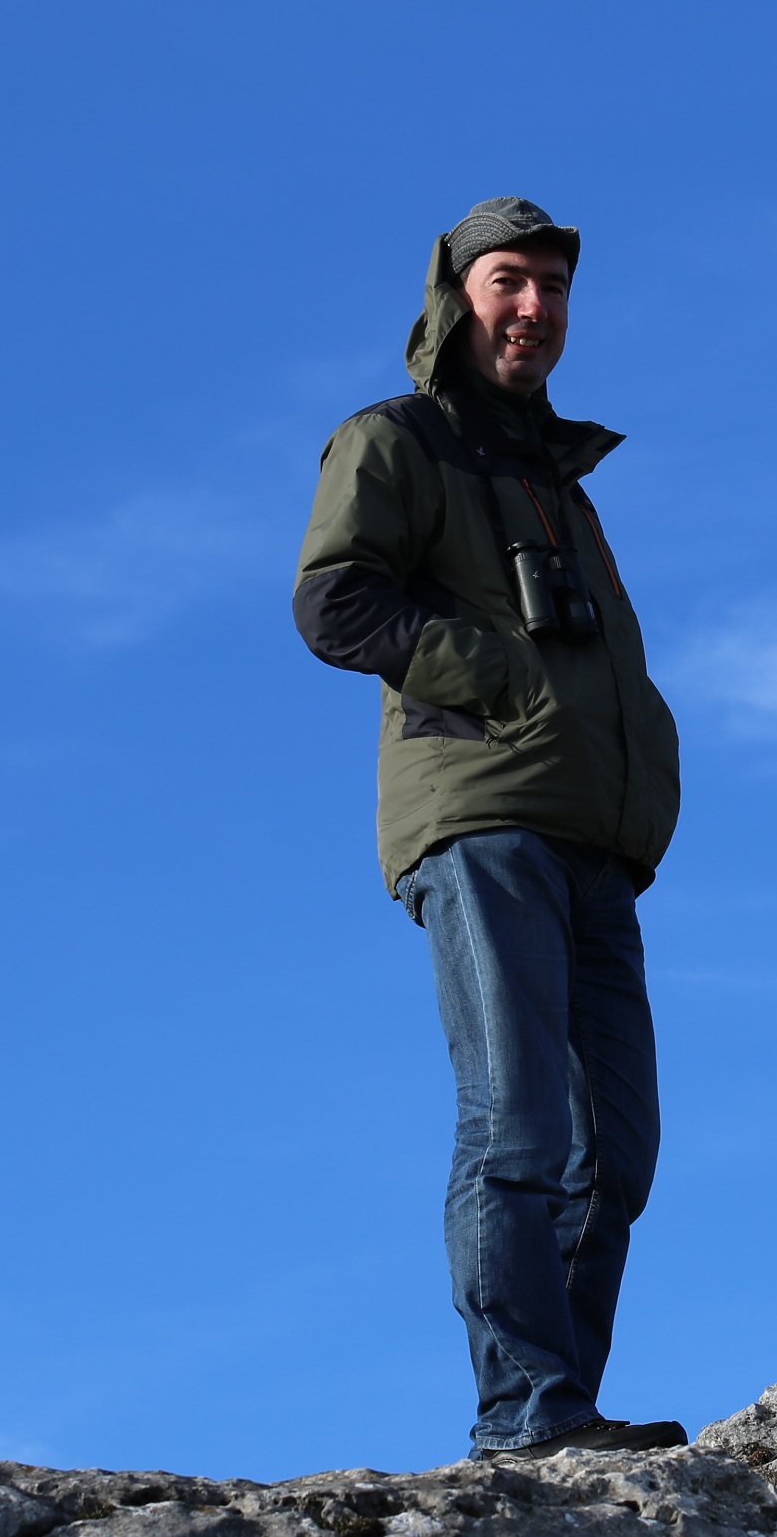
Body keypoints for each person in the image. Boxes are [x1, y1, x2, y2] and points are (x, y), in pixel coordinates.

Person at [291, 197, 686, 1459]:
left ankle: (563, 1408)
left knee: (614, 1150)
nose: (535, 308)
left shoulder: (554, 474)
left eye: (554, 288)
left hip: (593, 836)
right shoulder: (397, 440)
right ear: (454, 296)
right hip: (482, 813)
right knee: (516, 1116)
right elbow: (335, 601)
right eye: (510, 280)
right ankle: (523, 1414)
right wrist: (502, 678)